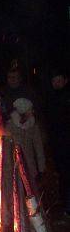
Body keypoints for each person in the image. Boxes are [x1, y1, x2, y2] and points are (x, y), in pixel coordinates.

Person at [5, 98, 45, 188]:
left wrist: (41, 169)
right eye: (29, 110)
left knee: (31, 192)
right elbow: (6, 147)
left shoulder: (33, 125)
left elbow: (39, 148)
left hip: (30, 166)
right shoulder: (10, 126)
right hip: (15, 166)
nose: (31, 112)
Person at [46, 68, 70, 216]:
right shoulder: (52, 97)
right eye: (54, 80)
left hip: (66, 140)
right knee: (62, 173)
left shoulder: (66, 96)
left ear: (65, 80)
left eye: (59, 80)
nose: (56, 83)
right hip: (58, 142)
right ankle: (65, 203)